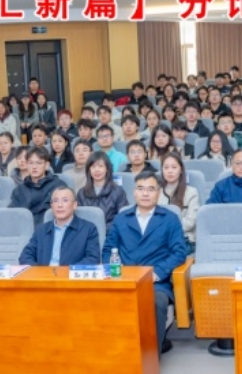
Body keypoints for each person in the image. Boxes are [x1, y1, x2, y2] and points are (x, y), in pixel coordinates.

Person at [102, 171, 189, 355]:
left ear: (158, 193)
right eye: (141, 189)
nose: (145, 193)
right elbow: (108, 249)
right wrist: (114, 270)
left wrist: (157, 273)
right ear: (134, 192)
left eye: (151, 189)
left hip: (156, 282)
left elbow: (179, 252)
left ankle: (150, 356)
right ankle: (115, 352)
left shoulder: (169, 218)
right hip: (123, 278)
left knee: (156, 302)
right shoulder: (121, 218)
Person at [19, 186, 100, 266]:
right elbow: (25, 257)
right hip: (44, 274)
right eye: (55, 201)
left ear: (74, 205)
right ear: (51, 205)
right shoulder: (41, 230)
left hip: (71, 274)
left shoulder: (88, 229)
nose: (59, 205)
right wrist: (41, 271)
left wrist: (68, 271)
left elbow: (93, 259)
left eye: (65, 200)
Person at [157, 154, 201, 251]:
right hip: (160, 240)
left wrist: (166, 229)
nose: (170, 171)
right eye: (166, 167)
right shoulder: (156, 193)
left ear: (181, 170)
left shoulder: (191, 192)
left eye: (174, 167)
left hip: (184, 239)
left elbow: (191, 222)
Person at [77, 148, 130, 223]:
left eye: (101, 166)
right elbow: (78, 219)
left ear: (107, 169)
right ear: (89, 170)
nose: (97, 170)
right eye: (93, 166)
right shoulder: (81, 193)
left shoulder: (118, 192)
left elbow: (123, 218)